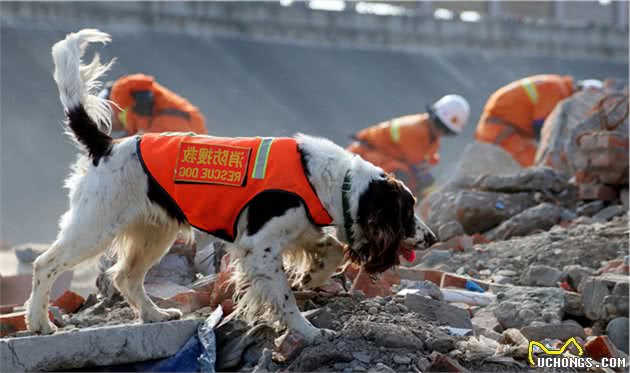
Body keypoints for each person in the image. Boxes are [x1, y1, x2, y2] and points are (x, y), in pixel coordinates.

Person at [347, 95, 470, 198]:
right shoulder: (414, 130)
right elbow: (417, 165)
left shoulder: (431, 137)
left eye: (446, 130)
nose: (440, 132)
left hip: (383, 159)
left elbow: (426, 162)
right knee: (404, 180)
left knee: (414, 183)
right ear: (433, 116)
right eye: (439, 125)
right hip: (363, 157)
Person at [475, 75, 603, 167]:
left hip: (499, 128)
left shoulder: (556, 84)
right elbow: (542, 126)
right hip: (500, 132)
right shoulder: (557, 90)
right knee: (535, 166)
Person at [99, 74, 208, 135]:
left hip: (179, 121)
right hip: (191, 131)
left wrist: (142, 128)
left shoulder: (119, 90)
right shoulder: (131, 127)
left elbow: (144, 88)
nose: (111, 128)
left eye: (104, 122)